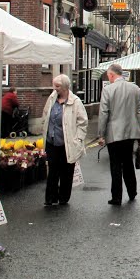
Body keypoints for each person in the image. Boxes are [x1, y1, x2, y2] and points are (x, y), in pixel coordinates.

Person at [98, 65, 140, 205]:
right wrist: (138, 129)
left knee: (115, 165)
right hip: (130, 132)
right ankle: (132, 192)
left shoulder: (108, 90)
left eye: (108, 76)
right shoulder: (135, 89)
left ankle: (116, 197)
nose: (108, 78)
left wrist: (101, 134)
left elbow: (104, 113)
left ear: (111, 75)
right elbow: (139, 111)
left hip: (114, 133)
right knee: (128, 162)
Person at [39, 74, 88, 207]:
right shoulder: (52, 98)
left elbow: (82, 122)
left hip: (67, 143)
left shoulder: (75, 101)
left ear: (65, 87)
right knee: (52, 171)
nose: (55, 88)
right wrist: (44, 129)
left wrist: (78, 139)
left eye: (58, 86)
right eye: (54, 85)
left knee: (66, 171)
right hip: (52, 141)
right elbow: (45, 115)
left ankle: (63, 198)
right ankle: (50, 198)